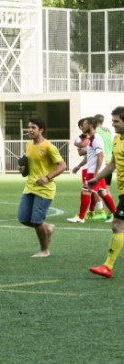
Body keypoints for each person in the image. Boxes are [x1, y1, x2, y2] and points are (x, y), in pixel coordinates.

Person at [17, 117, 66, 258]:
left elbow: (62, 166)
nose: (30, 130)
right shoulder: (28, 145)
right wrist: (23, 169)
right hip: (30, 186)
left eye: (33, 127)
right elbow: (29, 168)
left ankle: (44, 250)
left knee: (37, 221)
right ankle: (48, 227)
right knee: (23, 218)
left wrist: (47, 177)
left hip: (45, 189)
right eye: (29, 127)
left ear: (41, 130)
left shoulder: (49, 147)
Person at [89, 107, 124, 278]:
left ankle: (108, 266)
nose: (113, 124)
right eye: (113, 120)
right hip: (122, 191)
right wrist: (97, 178)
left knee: (117, 224)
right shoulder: (117, 138)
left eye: (116, 121)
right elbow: (113, 164)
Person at [68, 117, 116, 223]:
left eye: (84, 124)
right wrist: (79, 166)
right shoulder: (92, 138)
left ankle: (80, 217)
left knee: (85, 191)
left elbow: (100, 155)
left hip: (94, 171)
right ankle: (115, 215)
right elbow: (90, 156)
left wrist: (96, 173)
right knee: (103, 192)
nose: (82, 127)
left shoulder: (96, 138)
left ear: (90, 125)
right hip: (97, 170)